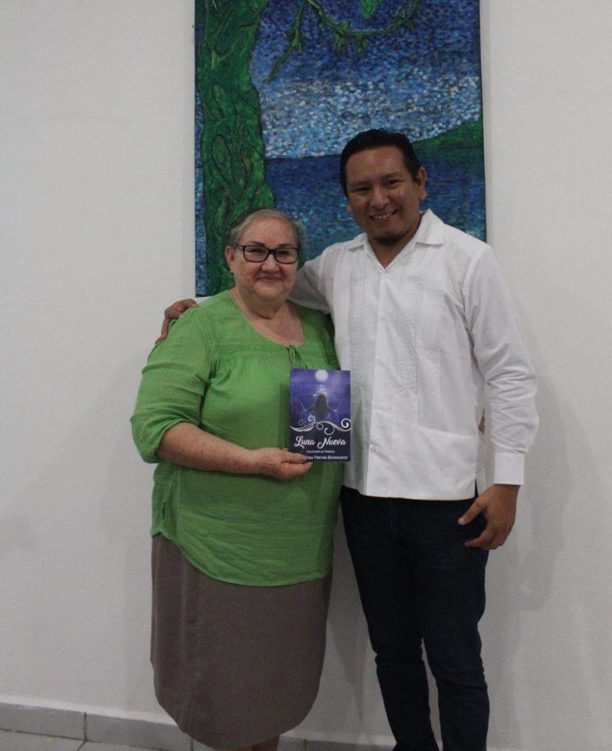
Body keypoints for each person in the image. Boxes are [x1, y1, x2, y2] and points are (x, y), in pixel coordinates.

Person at [163, 129, 538, 751]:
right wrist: (197, 305)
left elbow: (510, 373)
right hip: (363, 498)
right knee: (392, 651)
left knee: (455, 659)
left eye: (391, 182)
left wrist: (508, 480)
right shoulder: (337, 265)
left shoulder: (469, 260)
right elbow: (269, 287)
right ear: (347, 198)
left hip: (448, 501)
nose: (378, 199)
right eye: (362, 188)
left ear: (421, 182)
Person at [131, 209, 343, 751]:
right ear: (230, 257)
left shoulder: (321, 327)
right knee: (225, 699)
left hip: (299, 553)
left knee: (272, 695)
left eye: (284, 252)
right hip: (218, 550)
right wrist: (251, 461)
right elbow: (156, 429)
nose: (270, 263)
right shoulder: (200, 327)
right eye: (255, 250)